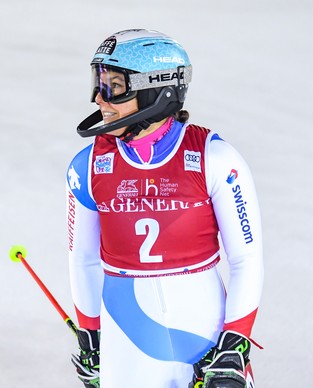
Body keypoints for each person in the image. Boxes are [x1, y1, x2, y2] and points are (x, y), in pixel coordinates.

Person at [65, 29, 263, 388]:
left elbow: (246, 259)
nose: (99, 98)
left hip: (205, 329)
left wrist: (234, 344)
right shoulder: (88, 166)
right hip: (126, 335)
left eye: (114, 86)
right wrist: (91, 337)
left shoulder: (215, 159)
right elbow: (83, 260)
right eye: (98, 83)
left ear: (157, 89)